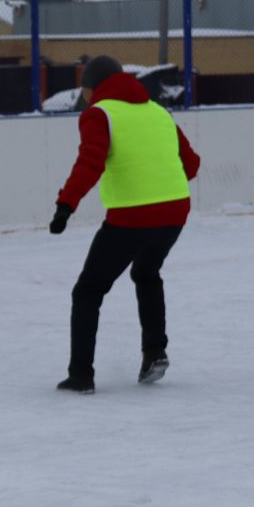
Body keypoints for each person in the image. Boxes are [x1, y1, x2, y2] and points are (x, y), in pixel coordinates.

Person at [49, 55, 201, 394]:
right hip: (176, 210)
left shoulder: (99, 114)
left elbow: (90, 162)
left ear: (91, 88)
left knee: (88, 290)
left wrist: (65, 205)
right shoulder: (159, 112)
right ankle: (154, 353)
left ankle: (81, 376)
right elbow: (191, 164)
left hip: (132, 215)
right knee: (146, 273)